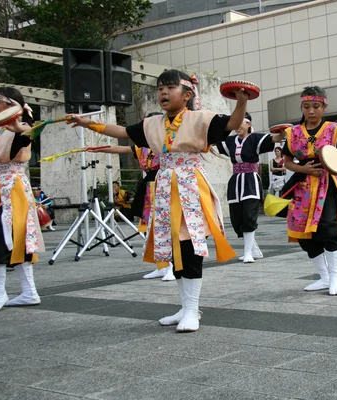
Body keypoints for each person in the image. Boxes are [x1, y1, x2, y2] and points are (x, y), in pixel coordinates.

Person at [67, 69, 249, 332]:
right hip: (164, 186)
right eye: (160, 88)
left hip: (190, 184)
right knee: (174, 247)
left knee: (190, 247)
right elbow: (122, 131)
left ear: (187, 95)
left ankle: (192, 309)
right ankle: (186, 307)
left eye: (170, 88)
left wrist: (241, 101)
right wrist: (87, 123)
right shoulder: (152, 123)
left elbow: (232, 124)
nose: (163, 92)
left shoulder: (201, 118)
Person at [0, 87, 43, 314]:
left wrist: (16, 125)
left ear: (9, 106)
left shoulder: (25, 128)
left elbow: (25, 136)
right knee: (15, 239)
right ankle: (29, 292)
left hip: (12, 190)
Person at [282, 86, 337, 295]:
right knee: (303, 233)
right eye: (306, 107)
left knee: (328, 228)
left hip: (327, 184)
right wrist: (303, 168)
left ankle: (336, 277)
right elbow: (287, 161)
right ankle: (324, 276)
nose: (311, 111)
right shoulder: (293, 132)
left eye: (316, 106)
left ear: (324, 106)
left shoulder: (334, 130)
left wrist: (330, 162)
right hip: (302, 185)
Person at [86, 137, 176, 281]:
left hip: (165, 186)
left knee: (165, 226)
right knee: (149, 227)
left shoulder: (170, 144)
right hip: (148, 188)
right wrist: (98, 148)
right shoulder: (143, 148)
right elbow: (121, 149)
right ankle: (161, 266)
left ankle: (172, 266)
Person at [215, 112, 284, 263]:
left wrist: (283, 132)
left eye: (241, 122)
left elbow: (276, 138)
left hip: (251, 180)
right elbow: (212, 142)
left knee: (249, 214)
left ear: (248, 124)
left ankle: (248, 253)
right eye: (235, 122)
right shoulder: (230, 140)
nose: (237, 126)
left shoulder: (255, 138)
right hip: (235, 181)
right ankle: (254, 249)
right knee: (236, 217)